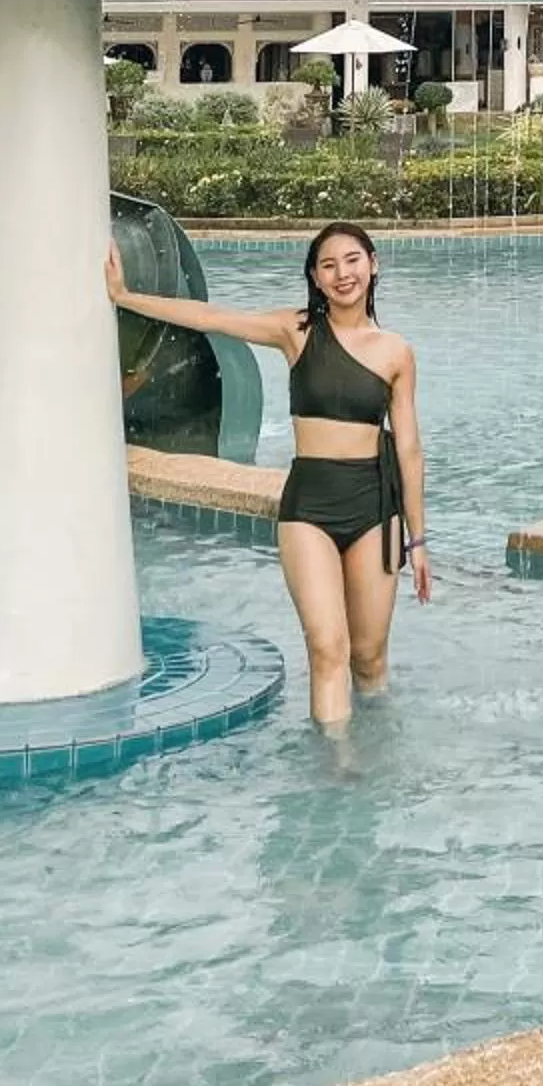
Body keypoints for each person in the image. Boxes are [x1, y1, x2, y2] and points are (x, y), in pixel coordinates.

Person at [105, 223, 430, 730]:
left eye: (352, 260)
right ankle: (336, 769)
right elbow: (212, 317)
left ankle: (378, 755)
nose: (343, 273)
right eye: (328, 265)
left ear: (373, 264)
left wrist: (419, 539)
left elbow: (408, 448)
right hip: (309, 508)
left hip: (374, 507)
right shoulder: (296, 331)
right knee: (328, 650)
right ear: (315, 279)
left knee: (368, 657)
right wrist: (126, 297)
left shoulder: (396, 352)